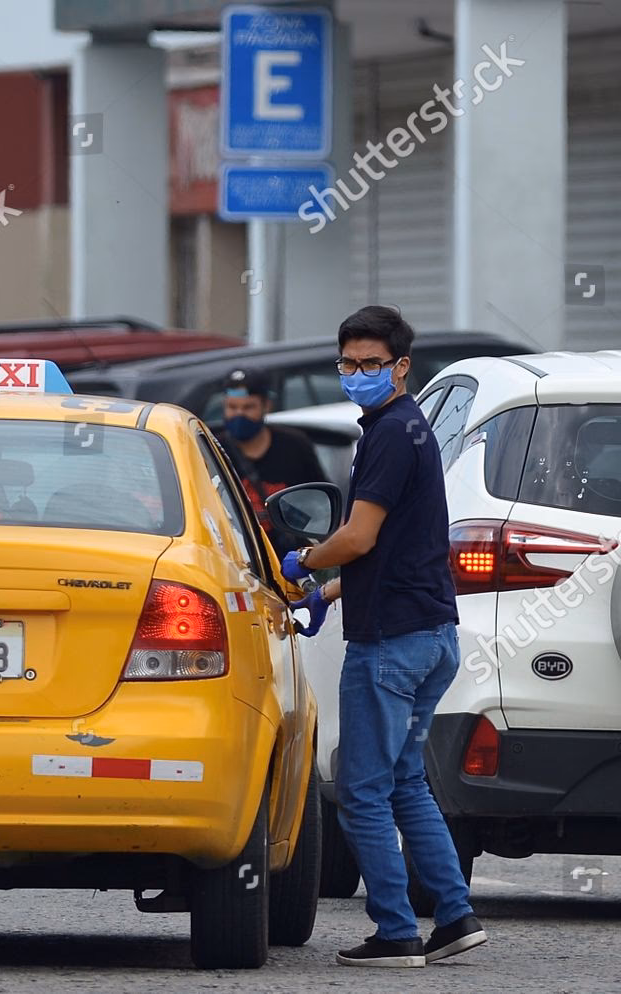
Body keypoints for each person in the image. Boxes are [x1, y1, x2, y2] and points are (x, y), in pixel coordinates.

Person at [281, 305, 486, 969]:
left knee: (363, 791)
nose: (359, 374)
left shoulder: (389, 433)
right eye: (349, 365)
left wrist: (306, 561)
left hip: (390, 644)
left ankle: (396, 931)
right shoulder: (411, 429)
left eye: (372, 364)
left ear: (402, 366)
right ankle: (454, 917)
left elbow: (360, 537)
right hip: (431, 636)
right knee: (404, 784)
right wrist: (331, 591)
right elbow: (394, 548)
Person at [214, 368, 328, 556]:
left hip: (290, 560)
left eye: (248, 407)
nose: (239, 415)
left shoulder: (294, 446)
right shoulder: (215, 449)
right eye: (232, 407)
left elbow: (320, 502)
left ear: (266, 406)